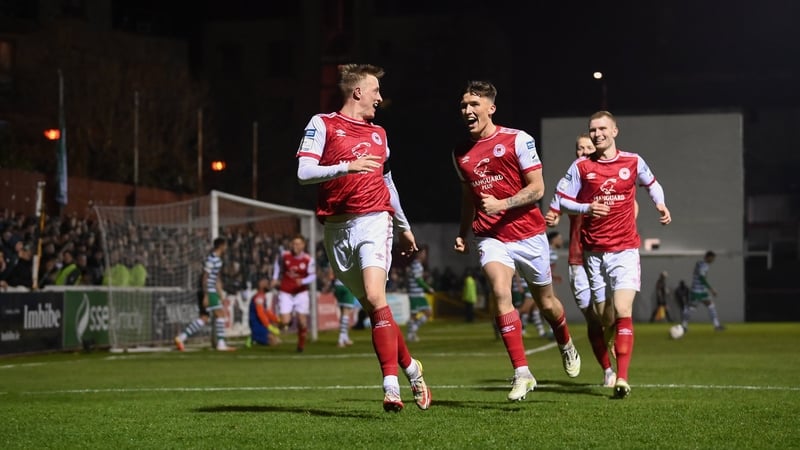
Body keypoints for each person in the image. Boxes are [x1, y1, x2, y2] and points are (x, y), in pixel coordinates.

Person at [295, 63, 430, 412]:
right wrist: (346, 167)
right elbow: (304, 172)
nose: (380, 98)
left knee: (374, 294)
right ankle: (413, 369)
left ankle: (391, 387)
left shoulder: (380, 134)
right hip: (336, 229)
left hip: (374, 220)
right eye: (375, 91)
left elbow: (388, 184)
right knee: (375, 307)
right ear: (357, 92)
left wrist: (403, 226)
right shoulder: (322, 124)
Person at [452, 80, 581, 402]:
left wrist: (502, 204)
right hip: (490, 235)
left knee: (547, 304)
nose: (467, 111)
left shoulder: (517, 140)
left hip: (528, 234)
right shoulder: (460, 153)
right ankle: (522, 372)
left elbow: (537, 189)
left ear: (491, 108)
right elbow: (468, 196)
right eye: (464, 105)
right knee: (499, 290)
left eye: (474, 105)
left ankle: (565, 342)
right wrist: (463, 232)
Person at [554, 111, 672, 398]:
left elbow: (651, 183)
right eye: (593, 130)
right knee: (602, 318)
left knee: (622, 311)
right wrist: (586, 209)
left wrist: (660, 204)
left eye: (603, 129)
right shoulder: (581, 167)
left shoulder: (632, 161)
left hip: (625, 251)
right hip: (592, 254)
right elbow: (560, 198)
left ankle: (622, 378)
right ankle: (607, 365)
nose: (597, 134)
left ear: (615, 131)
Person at [545, 133, 616, 387]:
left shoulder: (607, 177)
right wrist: (553, 215)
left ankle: (614, 339)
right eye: (579, 148)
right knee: (591, 317)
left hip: (605, 253)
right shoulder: (573, 180)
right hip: (577, 258)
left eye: (588, 147)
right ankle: (607, 370)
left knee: (608, 314)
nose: (583, 151)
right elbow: (559, 202)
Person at [174, 237, 235, 351]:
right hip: (209, 291)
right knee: (220, 315)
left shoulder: (217, 259)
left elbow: (216, 277)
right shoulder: (212, 259)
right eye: (225, 246)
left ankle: (181, 338)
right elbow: (205, 276)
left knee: (204, 318)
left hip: (211, 291)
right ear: (221, 246)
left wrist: (220, 293)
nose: (226, 248)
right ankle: (221, 344)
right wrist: (206, 294)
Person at [272, 235, 316, 353]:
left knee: (302, 321)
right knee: (285, 321)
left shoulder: (308, 259)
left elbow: (313, 275)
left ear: (303, 245)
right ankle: (284, 323)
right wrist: (275, 278)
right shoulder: (285, 255)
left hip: (301, 292)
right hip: (286, 291)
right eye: (293, 243)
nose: (295, 246)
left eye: (297, 244)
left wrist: (303, 281)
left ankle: (300, 345)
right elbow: (277, 264)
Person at [682, 251, 725, 331]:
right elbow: (702, 278)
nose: (713, 260)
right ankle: (684, 326)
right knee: (690, 308)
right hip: (697, 291)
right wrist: (711, 289)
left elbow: (698, 274)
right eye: (712, 258)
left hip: (701, 291)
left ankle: (717, 325)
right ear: (708, 257)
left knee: (710, 305)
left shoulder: (699, 263)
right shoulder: (704, 265)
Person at [406, 245, 435, 342]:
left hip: (415, 293)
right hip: (416, 294)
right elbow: (418, 280)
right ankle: (412, 331)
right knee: (428, 312)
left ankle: (411, 334)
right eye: (423, 253)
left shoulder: (415, 265)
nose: (425, 255)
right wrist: (428, 288)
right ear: (419, 254)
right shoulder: (417, 265)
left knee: (414, 315)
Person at [247, 277, 281, 347]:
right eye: (266, 283)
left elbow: (266, 312)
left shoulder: (262, 296)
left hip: (261, 324)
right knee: (274, 342)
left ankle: (254, 338)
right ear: (261, 285)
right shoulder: (259, 297)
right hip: (256, 324)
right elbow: (260, 314)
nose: (268, 285)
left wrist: (277, 320)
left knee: (277, 341)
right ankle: (253, 337)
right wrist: (269, 326)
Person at [333, 277, 359, 347]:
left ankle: (345, 337)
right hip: (348, 284)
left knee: (342, 312)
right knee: (346, 312)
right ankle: (341, 339)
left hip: (337, 285)